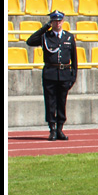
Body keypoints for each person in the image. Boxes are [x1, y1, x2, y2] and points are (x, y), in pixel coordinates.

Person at [26, 10, 77, 140]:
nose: (57, 23)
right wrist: (45, 27)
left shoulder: (69, 37)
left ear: (63, 21)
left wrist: (73, 76)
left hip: (64, 74)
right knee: (50, 102)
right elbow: (30, 41)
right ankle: (52, 129)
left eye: (59, 21)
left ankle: (60, 128)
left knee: (61, 102)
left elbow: (74, 59)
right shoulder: (45, 36)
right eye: (54, 21)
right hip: (50, 74)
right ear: (51, 22)